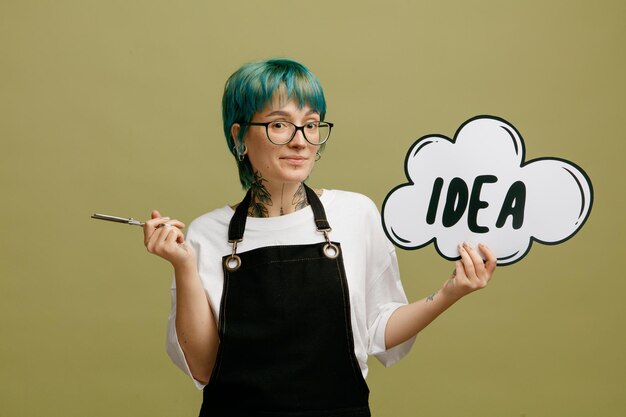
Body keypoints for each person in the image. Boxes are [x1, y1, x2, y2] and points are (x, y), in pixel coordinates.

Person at [143, 58, 496, 417]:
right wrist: (184, 265)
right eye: (280, 124)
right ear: (239, 137)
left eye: (311, 125)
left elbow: (377, 329)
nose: (301, 142)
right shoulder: (207, 232)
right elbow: (203, 367)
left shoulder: (355, 213)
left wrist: (452, 291)